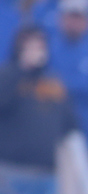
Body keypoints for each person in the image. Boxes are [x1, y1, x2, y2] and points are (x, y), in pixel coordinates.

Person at [0, 26, 76, 169]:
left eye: (40, 44)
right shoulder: (6, 76)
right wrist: (23, 68)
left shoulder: (54, 81)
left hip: (47, 168)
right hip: (12, 167)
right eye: (30, 45)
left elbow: (70, 124)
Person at [46, 0, 88, 155]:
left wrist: (62, 87)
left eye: (79, 17)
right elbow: (41, 86)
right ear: (60, 19)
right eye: (70, 17)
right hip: (51, 128)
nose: (74, 23)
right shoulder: (47, 51)